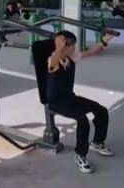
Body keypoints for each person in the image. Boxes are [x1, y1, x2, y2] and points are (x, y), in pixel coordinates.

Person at [46, 30, 116, 173]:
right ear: (64, 46)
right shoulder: (53, 59)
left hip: (70, 97)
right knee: (82, 120)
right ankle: (80, 155)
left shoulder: (71, 58)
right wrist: (58, 48)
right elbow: (52, 65)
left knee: (101, 110)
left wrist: (104, 41)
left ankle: (97, 142)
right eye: (72, 46)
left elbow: (90, 52)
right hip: (56, 101)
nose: (75, 48)